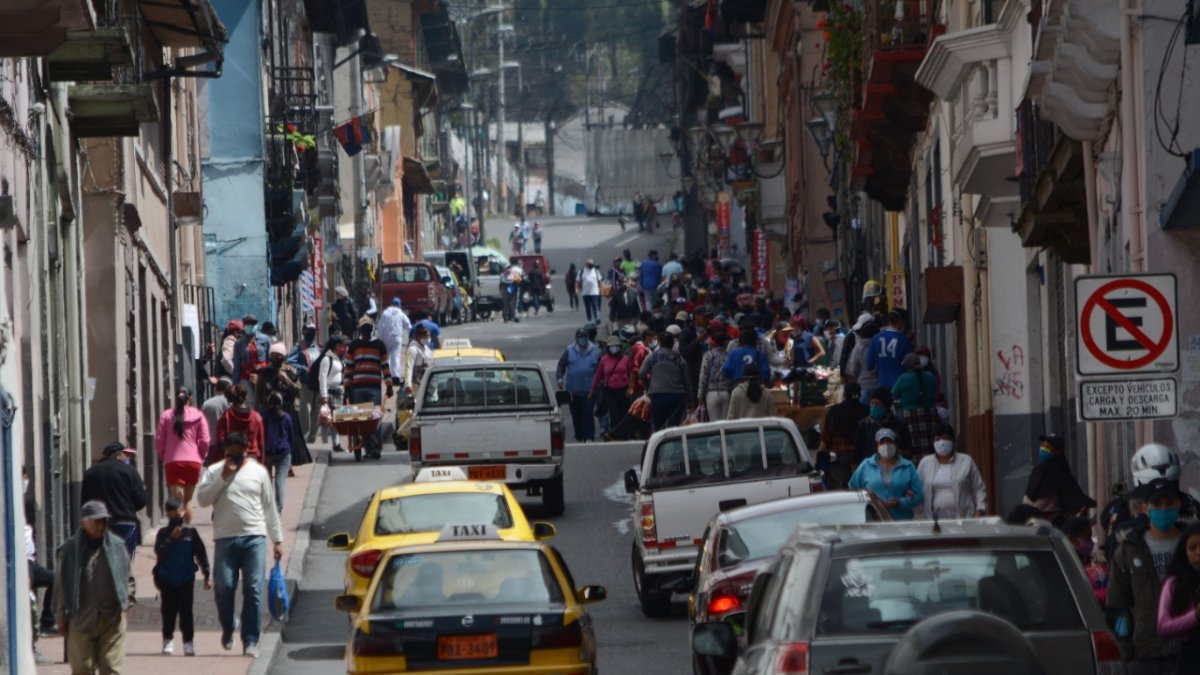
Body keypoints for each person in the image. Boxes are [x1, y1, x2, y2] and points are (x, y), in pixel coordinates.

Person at [196, 432, 283, 658]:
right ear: (226, 451)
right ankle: (228, 626)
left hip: (254, 537)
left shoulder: (258, 472)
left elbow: (269, 507)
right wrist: (223, 477)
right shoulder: (215, 471)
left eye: (240, 451)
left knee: (253, 588)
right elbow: (203, 500)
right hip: (225, 538)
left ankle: (251, 639)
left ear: (247, 451)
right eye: (231, 451)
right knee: (224, 586)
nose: (235, 455)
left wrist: (278, 539)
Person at [1108, 478, 1187, 672]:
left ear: (1178, 504)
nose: (1163, 509)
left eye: (1168, 503)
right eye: (1157, 504)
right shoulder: (1129, 550)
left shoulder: (1192, 545)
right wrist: (1126, 651)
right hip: (1144, 652)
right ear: (1145, 508)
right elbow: (1117, 605)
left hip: (1187, 652)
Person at [53, 500, 131, 674]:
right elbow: (60, 587)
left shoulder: (117, 546)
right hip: (81, 618)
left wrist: (127, 601)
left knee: (112, 668)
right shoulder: (69, 550)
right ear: (83, 522)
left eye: (103, 520)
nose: (100, 525)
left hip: (111, 618)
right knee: (82, 669)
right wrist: (60, 617)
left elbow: (128, 577)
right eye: (95, 521)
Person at [154, 496, 211, 656]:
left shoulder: (191, 533)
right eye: (171, 513)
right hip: (167, 579)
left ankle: (188, 642)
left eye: (177, 512)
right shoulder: (163, 533)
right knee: (168, 610)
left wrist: (207, 573)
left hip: (186, 578)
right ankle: (168, 639)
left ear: (183, 512)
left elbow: (201, 553)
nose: (175, 516)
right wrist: (172, 538)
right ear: (167, 514)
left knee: (186, 611)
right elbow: (159, 552)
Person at [80, 442, 147, 564]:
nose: (126, 458)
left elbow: (85, 503)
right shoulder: (130, 471)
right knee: (124, 562)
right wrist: (129, 507)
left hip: (98, 523)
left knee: (100, 561)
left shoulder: (90, 473)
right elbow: (142, 500)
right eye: (125, 455)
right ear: (118, 454)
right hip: (125, 522)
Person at [155, 386, 210, 523]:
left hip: (172, 461)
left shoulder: (166, 415)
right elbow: (205, 440)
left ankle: (176, 530)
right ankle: (186, 532)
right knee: (188, 500)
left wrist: (164, 455)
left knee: (176, 500)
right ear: (190, 398)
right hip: (193, 461)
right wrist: (201, 456)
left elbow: (159, 440)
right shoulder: (198, 415)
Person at [849, 428, 924, 520]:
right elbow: (853, 489)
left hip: (902, 520)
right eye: (882, 442)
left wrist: (901, 503)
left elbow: (919, 496)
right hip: (873, 520)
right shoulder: (866, 465)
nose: (886, 445)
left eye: (889, 442)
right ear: (877, 446)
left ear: (895, 445)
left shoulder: (908, 466)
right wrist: (866, 496)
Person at [344, 319, 392, 459]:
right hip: (357, 388)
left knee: (374, 419)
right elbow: (349, 368)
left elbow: (385, 366)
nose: (366, 331)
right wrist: (346, 388)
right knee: (361, 420)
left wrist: (389, 385)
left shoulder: (379, 345)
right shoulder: (354, 346)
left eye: (367, 329)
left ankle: (375, 449)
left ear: (371, 330)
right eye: (364, 329)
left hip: (374, 388)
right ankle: (366, 447)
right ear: (360, 331)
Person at [915, 424, 987, 519]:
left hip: (964, 520)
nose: (942, 442)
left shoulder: (966, 461)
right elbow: (916, 489)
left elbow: (979, 488)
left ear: (952, 441)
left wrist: (980, 510)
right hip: (933, 522)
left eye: (946, 438)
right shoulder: (925, 463)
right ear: (933, 442)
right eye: (937, 439)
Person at [1156, 523, 1200, 671]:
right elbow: (1163, 628)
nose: (1198, 552)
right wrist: (1195, 616)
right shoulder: (1174, 584)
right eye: (1192, 548)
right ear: (1184, 552)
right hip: (1190, 660)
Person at [1023, 433, 1096, 520]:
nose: (1044, 449)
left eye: (1048, 447)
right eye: (1043, 445)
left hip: (1050, 520)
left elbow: (1044, 499)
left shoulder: (1058, 471)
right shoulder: (1040, 468)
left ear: (1058, 451)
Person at [639, 325, 694, 430]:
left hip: (658, 396)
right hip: (677, 396)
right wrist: (691, 401)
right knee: (675, 426)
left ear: (659, 342)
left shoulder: (653, 357)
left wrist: (648, 388)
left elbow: (641, 373)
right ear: (673, 343)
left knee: (659, 425)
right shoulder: (680, 360)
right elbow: (687, 382)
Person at [818, 382, 870, 489]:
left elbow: (826, 435)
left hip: (841, 454)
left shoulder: (835, 410)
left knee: (843, 482)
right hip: (862, 454)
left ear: (845, 394)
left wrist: (820, 453)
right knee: (864, 483)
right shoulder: (866, 410)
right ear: (859, 394)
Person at [892, 352, 939, 460]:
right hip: (930, 414)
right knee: (929, 443)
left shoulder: (903, 379)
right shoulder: (930, 376)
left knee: (912, 444)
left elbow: (893, 396)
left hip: (909, 416)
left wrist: (898, 405)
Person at [557, 328, 601, 442]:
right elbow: (561, 365)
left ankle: (589, 436)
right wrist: (559, 379)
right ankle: (579, 435)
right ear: (577, 339)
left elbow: (601, 368)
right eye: (581, 337)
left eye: (585, 337)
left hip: (589, 390)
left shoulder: (596, 351)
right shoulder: (569, 350)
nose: (583, 340)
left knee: (587, 413)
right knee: (576, 415)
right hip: (573, 390)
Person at [851, 388, 914, 466]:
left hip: (895, 466)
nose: (874, 407)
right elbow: (857, 451)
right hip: (870, 469)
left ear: (886, 406)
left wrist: (896, 452)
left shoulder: (899, 424)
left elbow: (909, 451)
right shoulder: (863, 425)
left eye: (877, 404)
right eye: (872, 403)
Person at [723, 326, 772, 420]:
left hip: (737, 388)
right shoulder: (760, 354)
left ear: (741, 341)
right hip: (758, 389)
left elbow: (726, 371)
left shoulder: (733, 353)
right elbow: (766, 374)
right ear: (756, 341)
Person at [1060, 515, 1108, 604]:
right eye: (1088, 538)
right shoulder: (1064, 563)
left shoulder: (1085, 558)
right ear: (1071, 539)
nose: (1091, 543)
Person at [591, 336, 633, 435]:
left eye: (616, 346)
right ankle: (615, 434)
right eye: (612, 346)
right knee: (614, 414)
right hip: (610, 391)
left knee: (624, 413)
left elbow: (631, 374)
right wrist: (592, 391)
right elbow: (598, 376)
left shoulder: (626, 359)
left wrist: (630, 388)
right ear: (608, 348)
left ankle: (624, 434)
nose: (614, 348)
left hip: (624, 390)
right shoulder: (604, 360)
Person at [261, 392, 295, 512]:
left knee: (267, 481)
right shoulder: (286, 417)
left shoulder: (263, 417)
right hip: (283, 452)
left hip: (267, 452)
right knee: (280, 481)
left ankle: (267, 508)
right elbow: (291, 437)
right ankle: (278, 509)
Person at [287, 324, 322, 441]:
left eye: (313, 331)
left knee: (316, 410)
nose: (312, 334)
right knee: (305, 410)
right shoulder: (298, 347)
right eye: (309, 331)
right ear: (304, 332)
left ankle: (313, 436)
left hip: (317, 384)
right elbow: (290, 363)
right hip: (305, 383)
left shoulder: (317, 348)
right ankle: (305, 435)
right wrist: (303, 368)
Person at [213, 384, 265, 462]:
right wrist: (261, 463)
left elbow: (219, 441)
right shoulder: (256, 417)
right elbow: (261, 444)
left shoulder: (226, 416)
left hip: (232, 459)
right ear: (246, 398)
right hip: (252, 458)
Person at [867, 310, 913, 389]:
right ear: (900, 321)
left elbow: (869, 365)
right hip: (900, 383)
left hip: (882, 383)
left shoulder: (876, 338)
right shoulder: (903, 339)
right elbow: (910, 363)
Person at [698, 320, 733, 423]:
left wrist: (700, 395)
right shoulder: (729, 355)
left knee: (714, 425)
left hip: (711, 393)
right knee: (726, 425)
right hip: (726, 393)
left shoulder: (708, 355)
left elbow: (703, 376)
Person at [318, 336, 348, 452]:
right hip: (329, 392)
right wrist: (324, 395)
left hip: (338, 391)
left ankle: (336, 444)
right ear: (336, 346)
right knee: (326, 419)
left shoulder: (338, 358)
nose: (343, 348)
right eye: (342, 346)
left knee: (336, 419)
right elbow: (322, 378)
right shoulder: (327, 359)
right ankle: (325, 444)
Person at [845, 315, 880, 404]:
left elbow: (854, 367)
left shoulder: (859, 347)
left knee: (863, 412)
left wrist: (856, 377)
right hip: (881, 386)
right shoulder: (881, 345)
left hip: (864, 385)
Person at [231, 314, 264, 407]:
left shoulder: (265, 340)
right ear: (244, 326)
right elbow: (236, 366)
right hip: (246, 378)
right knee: (249, 405)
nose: (250, 326)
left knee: (262, 405)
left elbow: (268, 360)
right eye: (247, 324)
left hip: (261, 377)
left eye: (253, 324)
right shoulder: (239, 343)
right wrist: (235, 385)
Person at [377, 297, 411, 386]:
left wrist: (379, 339)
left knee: (385, 356)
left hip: (385, 337)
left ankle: (387, 375)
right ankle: (395, 377)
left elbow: (381, 327)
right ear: (399, 305)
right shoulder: (401, 314)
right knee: (395, 356)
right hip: (396, 337)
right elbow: (408, 326)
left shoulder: (385, 313)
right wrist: (412, 336)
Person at [404, 324, 435, 397]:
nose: (428, 339)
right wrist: (408, 384)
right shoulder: (413, 349)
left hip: (430, 386)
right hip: (417, 387)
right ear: (418, 336)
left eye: (429, 336)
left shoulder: (427, 349)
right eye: (425, 337)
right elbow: (409, 367)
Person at [201, 377, 233, 443]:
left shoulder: (206, 404)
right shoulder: (232, 404)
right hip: (229, 443)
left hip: (212, 442)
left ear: (216, 388)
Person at [579, 259, 603, 323]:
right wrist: (577, 288)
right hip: (585, 293)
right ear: (586, 265)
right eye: (589, 264)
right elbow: (577, 281)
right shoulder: (582, 271)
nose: (591, 266)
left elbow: (600, 281)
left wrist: (601, 289)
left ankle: (597, 318)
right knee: (588, 308)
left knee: (595, 306)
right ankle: (589, 320)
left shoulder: (596, 271)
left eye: (591, 264)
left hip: (594, 292)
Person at [501, 259, 523, 323]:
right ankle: (515, 317)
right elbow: (519, 280)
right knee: (514, 304)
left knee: (506, 304)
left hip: (505, 290)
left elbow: (501, 283)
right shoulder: (514, 273)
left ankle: (505, 317)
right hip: (513, 288)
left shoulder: (502, 274)